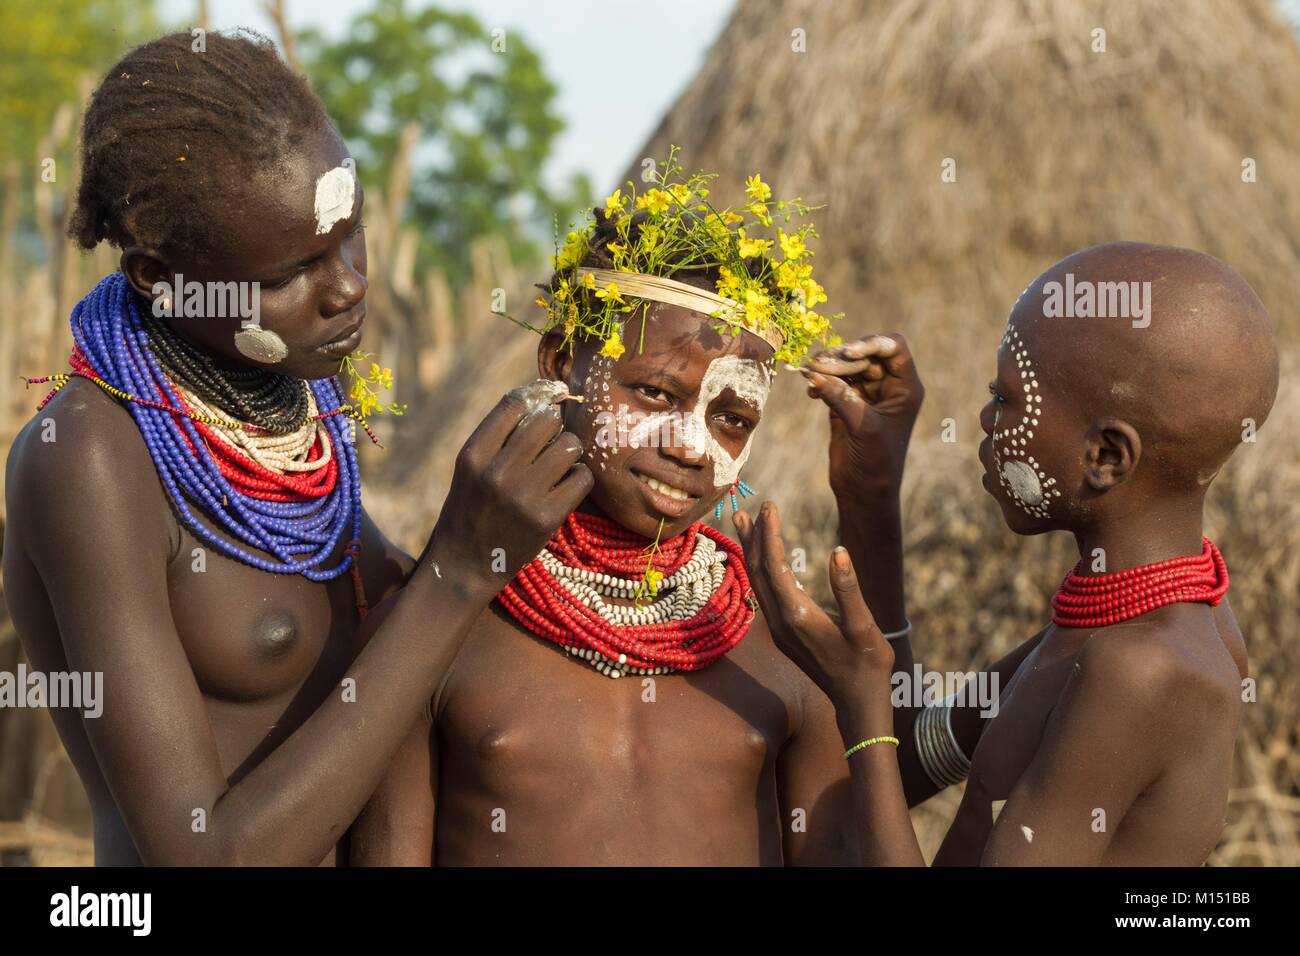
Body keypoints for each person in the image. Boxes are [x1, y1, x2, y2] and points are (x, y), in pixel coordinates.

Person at [2, 30, 591, 866]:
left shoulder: (292, 397)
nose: (347, 285)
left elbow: (399, 654)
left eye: (349, 234)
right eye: (291, 273)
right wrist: (457, 572)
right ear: (158, 276)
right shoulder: (90, 459)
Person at [349, 155, 859, 865]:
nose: (690, 447)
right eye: (655, 393)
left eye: (733, 419)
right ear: (560, 363)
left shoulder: (782, 646)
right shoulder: (435, 623)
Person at [742, 241, 1278, 865]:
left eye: (1008, 401)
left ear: (1105, 456)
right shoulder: (1107, 623)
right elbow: (913, 756)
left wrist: (860, 701)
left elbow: (881, 745)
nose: (985, 418)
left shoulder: (1142, 668)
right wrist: (872, 491)